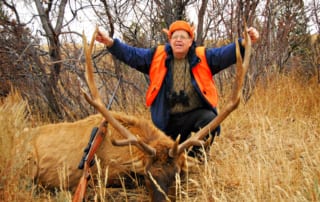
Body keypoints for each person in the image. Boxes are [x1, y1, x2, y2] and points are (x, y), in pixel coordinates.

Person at [94, 20, 259, 158]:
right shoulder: (156, 56)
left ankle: (195, 159)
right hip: (166, 121)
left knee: (210, 121)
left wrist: (245, 42)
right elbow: (132, 54)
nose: (179, 40)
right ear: (170, 40)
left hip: (193, 116)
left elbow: (227, 53)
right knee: (160, 156)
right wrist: (110, 42)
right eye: (175, 36)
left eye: (183, 37)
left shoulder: (204, 57)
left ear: (190, 41)